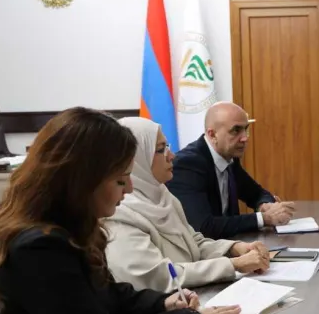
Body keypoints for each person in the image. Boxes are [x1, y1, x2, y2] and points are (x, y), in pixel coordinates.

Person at [0, 108, 241, 314]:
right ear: (83, 182)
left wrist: (162, 303)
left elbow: (106, 294)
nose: (130, 188)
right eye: (120, 180)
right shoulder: (39, 247)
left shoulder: (66, 227)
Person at [105, 117, 271, 292]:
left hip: (191, 297)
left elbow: (193, 243)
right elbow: (156, 277)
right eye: (161, 150)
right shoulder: (118, 213)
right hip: (167, 304)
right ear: (137, 159)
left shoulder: (163, 196)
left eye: (168, 147)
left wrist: (234, 248)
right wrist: (233, 264)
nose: (172, 156)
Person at [166, 101, 296, 239]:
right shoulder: (188, 164)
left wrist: (264, 205)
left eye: (245, 129)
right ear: (212, 134)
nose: (245, 138)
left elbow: (257, 193)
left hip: (228, 245)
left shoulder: (229, 157)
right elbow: (203, 227)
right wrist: (264, 218)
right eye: (236, 130)